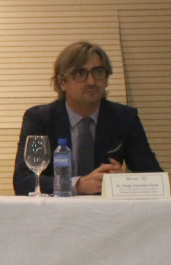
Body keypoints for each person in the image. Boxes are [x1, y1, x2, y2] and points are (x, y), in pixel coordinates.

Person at [12, 41, 162, 196]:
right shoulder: (40, 118)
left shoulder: (124, 118)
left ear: (106, 79)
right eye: (80, 74)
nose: (91, 81)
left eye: (98, 72)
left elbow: (154, 178)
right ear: (62, 82)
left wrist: (123, 183)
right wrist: (77, 184)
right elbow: (23, 181)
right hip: (54, 213)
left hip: (108, 213)